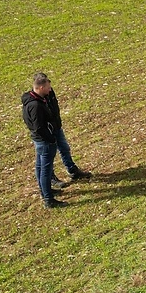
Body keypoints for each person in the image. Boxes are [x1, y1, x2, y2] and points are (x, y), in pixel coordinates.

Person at [22, 72, 90, 209]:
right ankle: (48, 198)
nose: (50, 90)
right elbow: (38, 127)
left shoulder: (36, 101)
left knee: (41, 167)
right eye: (48, 87)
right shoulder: (35, 106)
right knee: (45, 169)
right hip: (45, 142)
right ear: (40, 88)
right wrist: (51, 138)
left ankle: (46, 192)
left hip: (42, 140)